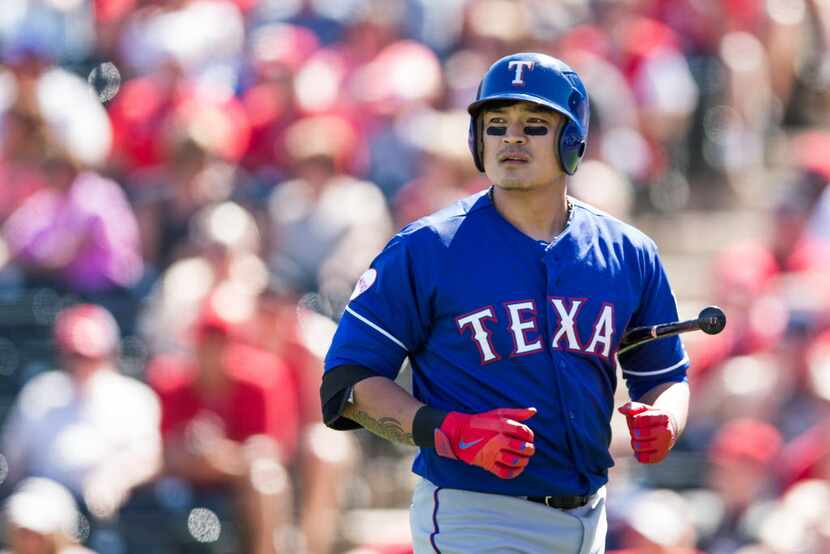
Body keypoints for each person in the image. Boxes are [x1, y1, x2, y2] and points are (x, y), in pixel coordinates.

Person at [320, 53, 691, 553]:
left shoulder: (627, 252)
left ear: (572, 141)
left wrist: (667, 417)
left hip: (591, 515)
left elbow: (666, 378)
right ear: (477, 140)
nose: (512, 137)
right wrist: (449, 431)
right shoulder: (427, 248)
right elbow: (348, 384)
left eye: (534, 125)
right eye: (496, 125)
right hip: (475, 512)